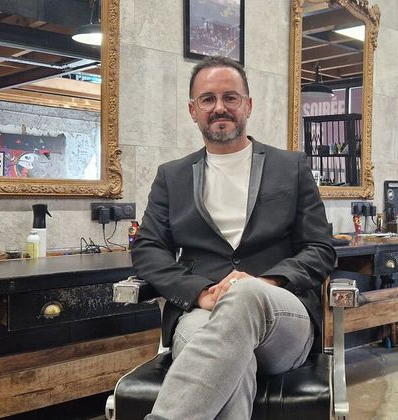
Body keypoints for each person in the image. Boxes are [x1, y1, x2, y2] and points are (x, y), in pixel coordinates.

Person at [131, 55, 336, 420]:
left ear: (248, 105)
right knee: (228, 366)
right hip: (201, 314)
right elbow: (148, 248)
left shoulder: (291, 168)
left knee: (244, 296)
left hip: (282, 317)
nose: (219, 107)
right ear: (193, 110)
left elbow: (320, 249)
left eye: (231, 97)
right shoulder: (172, 176)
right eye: (208, 99)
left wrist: (266, 282)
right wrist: (199, 292)